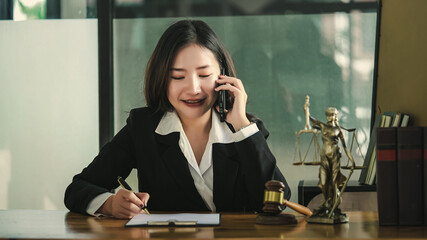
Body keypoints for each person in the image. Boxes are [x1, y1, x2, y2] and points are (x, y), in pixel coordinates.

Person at [64, 19, 290, 219]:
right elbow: (78, 188)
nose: (193, 89)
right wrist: (110, 204)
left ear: (223, 75)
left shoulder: (245, 131)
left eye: (204, 75)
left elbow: (277, 202)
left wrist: (241, 124)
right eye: (178, 76)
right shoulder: (143, 128)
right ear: (162, 79)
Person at [305, 106, 355, 215]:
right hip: (324, 158)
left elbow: (345, 147)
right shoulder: (322, 126)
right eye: (328, 115)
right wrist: (306, 108)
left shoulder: (338, 130)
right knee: (323, 182)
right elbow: (310, 119)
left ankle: (332, 205)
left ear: (336, 116)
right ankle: (327, 202)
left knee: (334, 182)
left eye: (333, 115)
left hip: (335, 157)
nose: (330, 117)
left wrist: (352, 161)